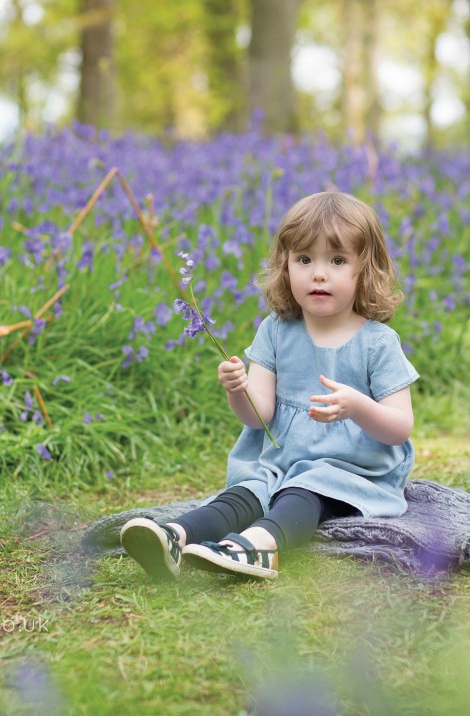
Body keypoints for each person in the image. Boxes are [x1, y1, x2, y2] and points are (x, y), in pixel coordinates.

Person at [120, 191, 419, 580]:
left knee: (305, 489)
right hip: (280, 461)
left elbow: (400, 428)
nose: (319, 273)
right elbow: (259, 416)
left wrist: (358, 407)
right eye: (304, 259)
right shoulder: (276, 331)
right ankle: (175, 536)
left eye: (338, 260)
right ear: (285, 265)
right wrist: (236, 389)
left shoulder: (377, 342)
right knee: (248, 491)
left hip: (351, 470)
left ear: (367, 270)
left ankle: (258, 547)